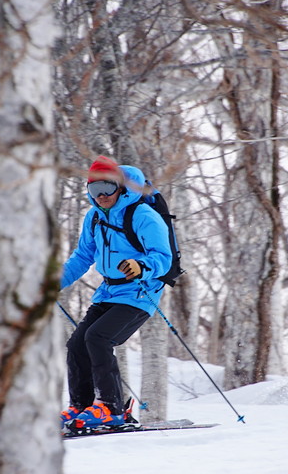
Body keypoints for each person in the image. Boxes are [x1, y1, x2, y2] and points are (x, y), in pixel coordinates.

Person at [60, 156, 172, 429]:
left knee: (98, 338)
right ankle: (82, 407)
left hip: (140, 292)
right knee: (77, 344)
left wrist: (140, 265)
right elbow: (82, 257)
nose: (101, 197)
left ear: (120, 187)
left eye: (107, 189)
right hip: (108, 291)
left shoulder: (144, 215)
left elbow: (163, 258)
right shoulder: (93, 217)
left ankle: (111, 408)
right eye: (94, 191)